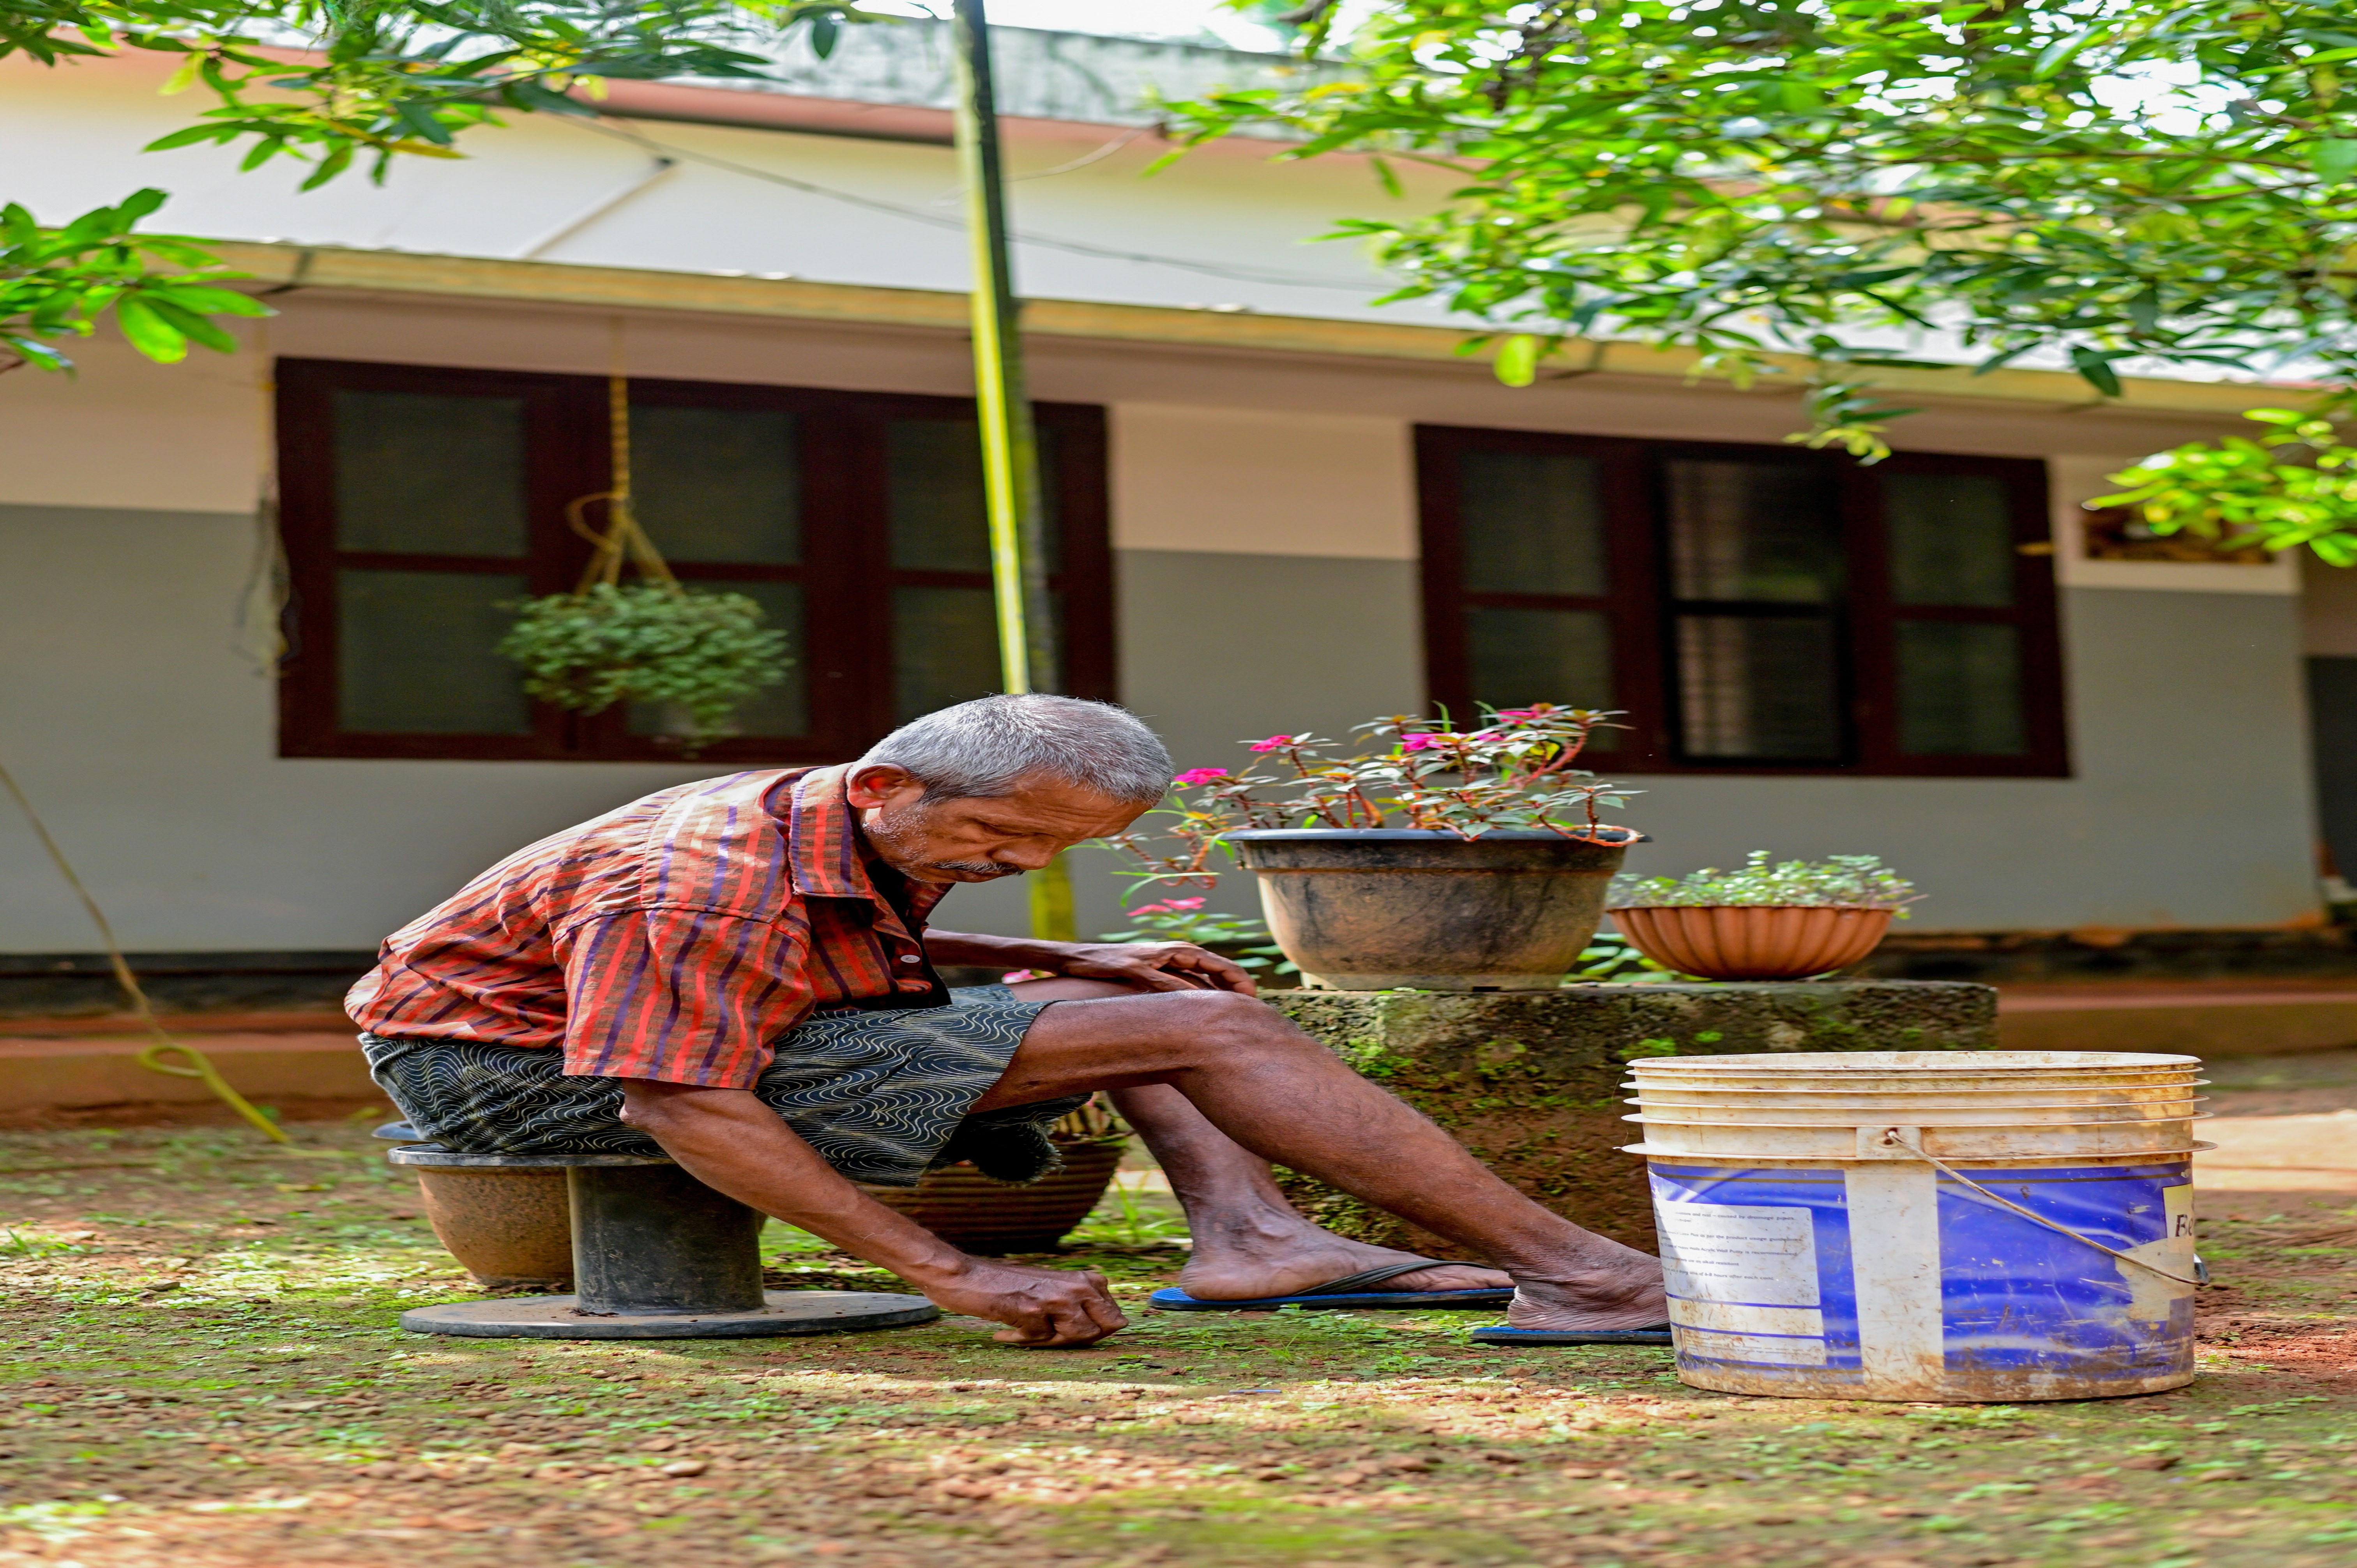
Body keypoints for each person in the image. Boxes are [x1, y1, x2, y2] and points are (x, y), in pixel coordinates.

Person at [350, 694, 1666, 1346]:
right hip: (499, 1071)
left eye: (1058, 846)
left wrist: (1060, 949)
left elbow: (828, 934)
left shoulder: (862, 821)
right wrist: (958, 1275)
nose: (1007, 856)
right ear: (883, 783)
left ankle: (1251, 1237)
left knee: (1146, 996)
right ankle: (1584, 1276)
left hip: (640, 1034)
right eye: (996, 834)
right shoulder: (697, 880)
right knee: (1219, 1033)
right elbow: (674, 1091)